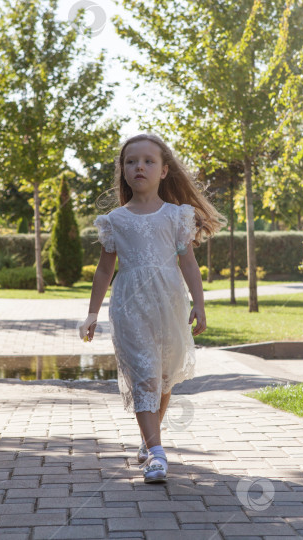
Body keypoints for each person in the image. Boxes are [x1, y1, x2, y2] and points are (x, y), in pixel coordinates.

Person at [77, 133, 226, 484]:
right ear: (123, 171)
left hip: (170, 302)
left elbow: (188, 263)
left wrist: (200, 305)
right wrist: (92, 312)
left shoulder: (177, 215)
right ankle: (157, 455)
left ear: (163, 171)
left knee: (163, 376)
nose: (139, 166)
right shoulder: (115, 220)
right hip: (129, 304)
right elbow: (104, 269)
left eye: (147, 161)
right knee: (143, 374)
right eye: (131, 161)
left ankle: (149, 439)